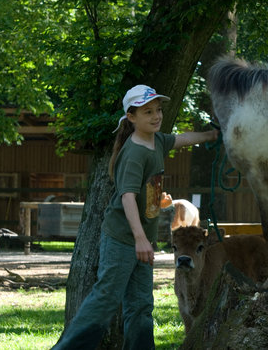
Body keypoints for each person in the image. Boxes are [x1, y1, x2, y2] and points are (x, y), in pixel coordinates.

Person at [52, 84, 218, 350]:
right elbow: (126, 196)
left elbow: (183, 138)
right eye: (147, 111)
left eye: (158, 110)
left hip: (142, 243)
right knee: (106, 299)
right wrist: (141, 239)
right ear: (131, 117)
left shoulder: (157, 141)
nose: (156, 116)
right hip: (122, 240)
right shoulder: (135, 152)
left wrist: (211, 134)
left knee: (141, 305)